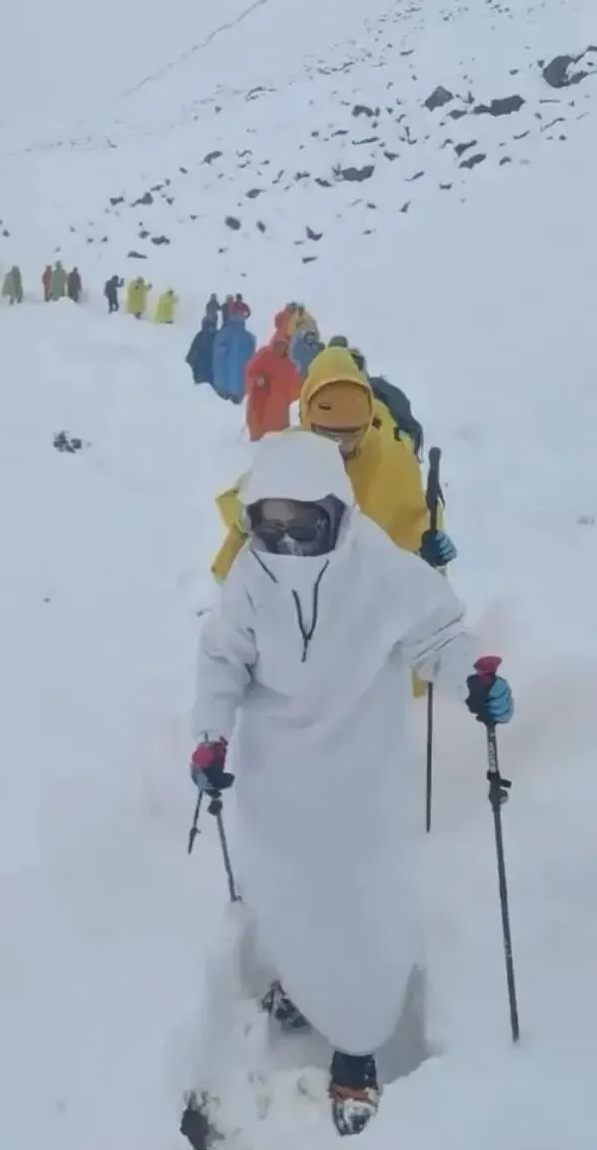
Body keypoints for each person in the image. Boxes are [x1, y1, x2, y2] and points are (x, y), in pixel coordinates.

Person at [190, 430, 513, 1138]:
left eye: (301, 519)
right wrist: (210, 735)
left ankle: (358, 1048)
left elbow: (437, 637)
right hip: (278, 782)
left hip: (361, 781)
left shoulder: (380, 568)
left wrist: (474, 680)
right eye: (270, 519)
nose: (285, 535)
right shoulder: (252, 576)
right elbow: (222, 660)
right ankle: (303, 985)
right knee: (290, 898)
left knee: (359, 914)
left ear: (335, 509)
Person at [210, 347, 453, 582]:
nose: (340, 446)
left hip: (369, 595)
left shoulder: (393, 458)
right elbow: (243, 506)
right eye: (328, 435)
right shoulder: (289, 453)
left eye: (352, 434)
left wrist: (431, 554)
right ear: (308, 416)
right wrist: (251, 516)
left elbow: (415, 527)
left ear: (367, 420)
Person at [244, 337, 302, 441]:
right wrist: (257, 379)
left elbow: (295, 388)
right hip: (260, 405)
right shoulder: (264, 355)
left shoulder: (289, 364)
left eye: (284, 345)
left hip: (279, 410)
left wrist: (291, 394)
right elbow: (249, 372)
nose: (280, 348)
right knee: (258, 437)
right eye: (278, 345)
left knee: (278, 439)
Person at [211, 315, 256, 403]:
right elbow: (251, 357)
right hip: (239, 387)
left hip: (222, 386)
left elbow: (216, 357)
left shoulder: (222, 334)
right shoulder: (248, 337)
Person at [185, 317, 216, 387]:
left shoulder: (200, 336)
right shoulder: (218, 336)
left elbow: (190, 358)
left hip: (201, 376)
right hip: (215, 378)